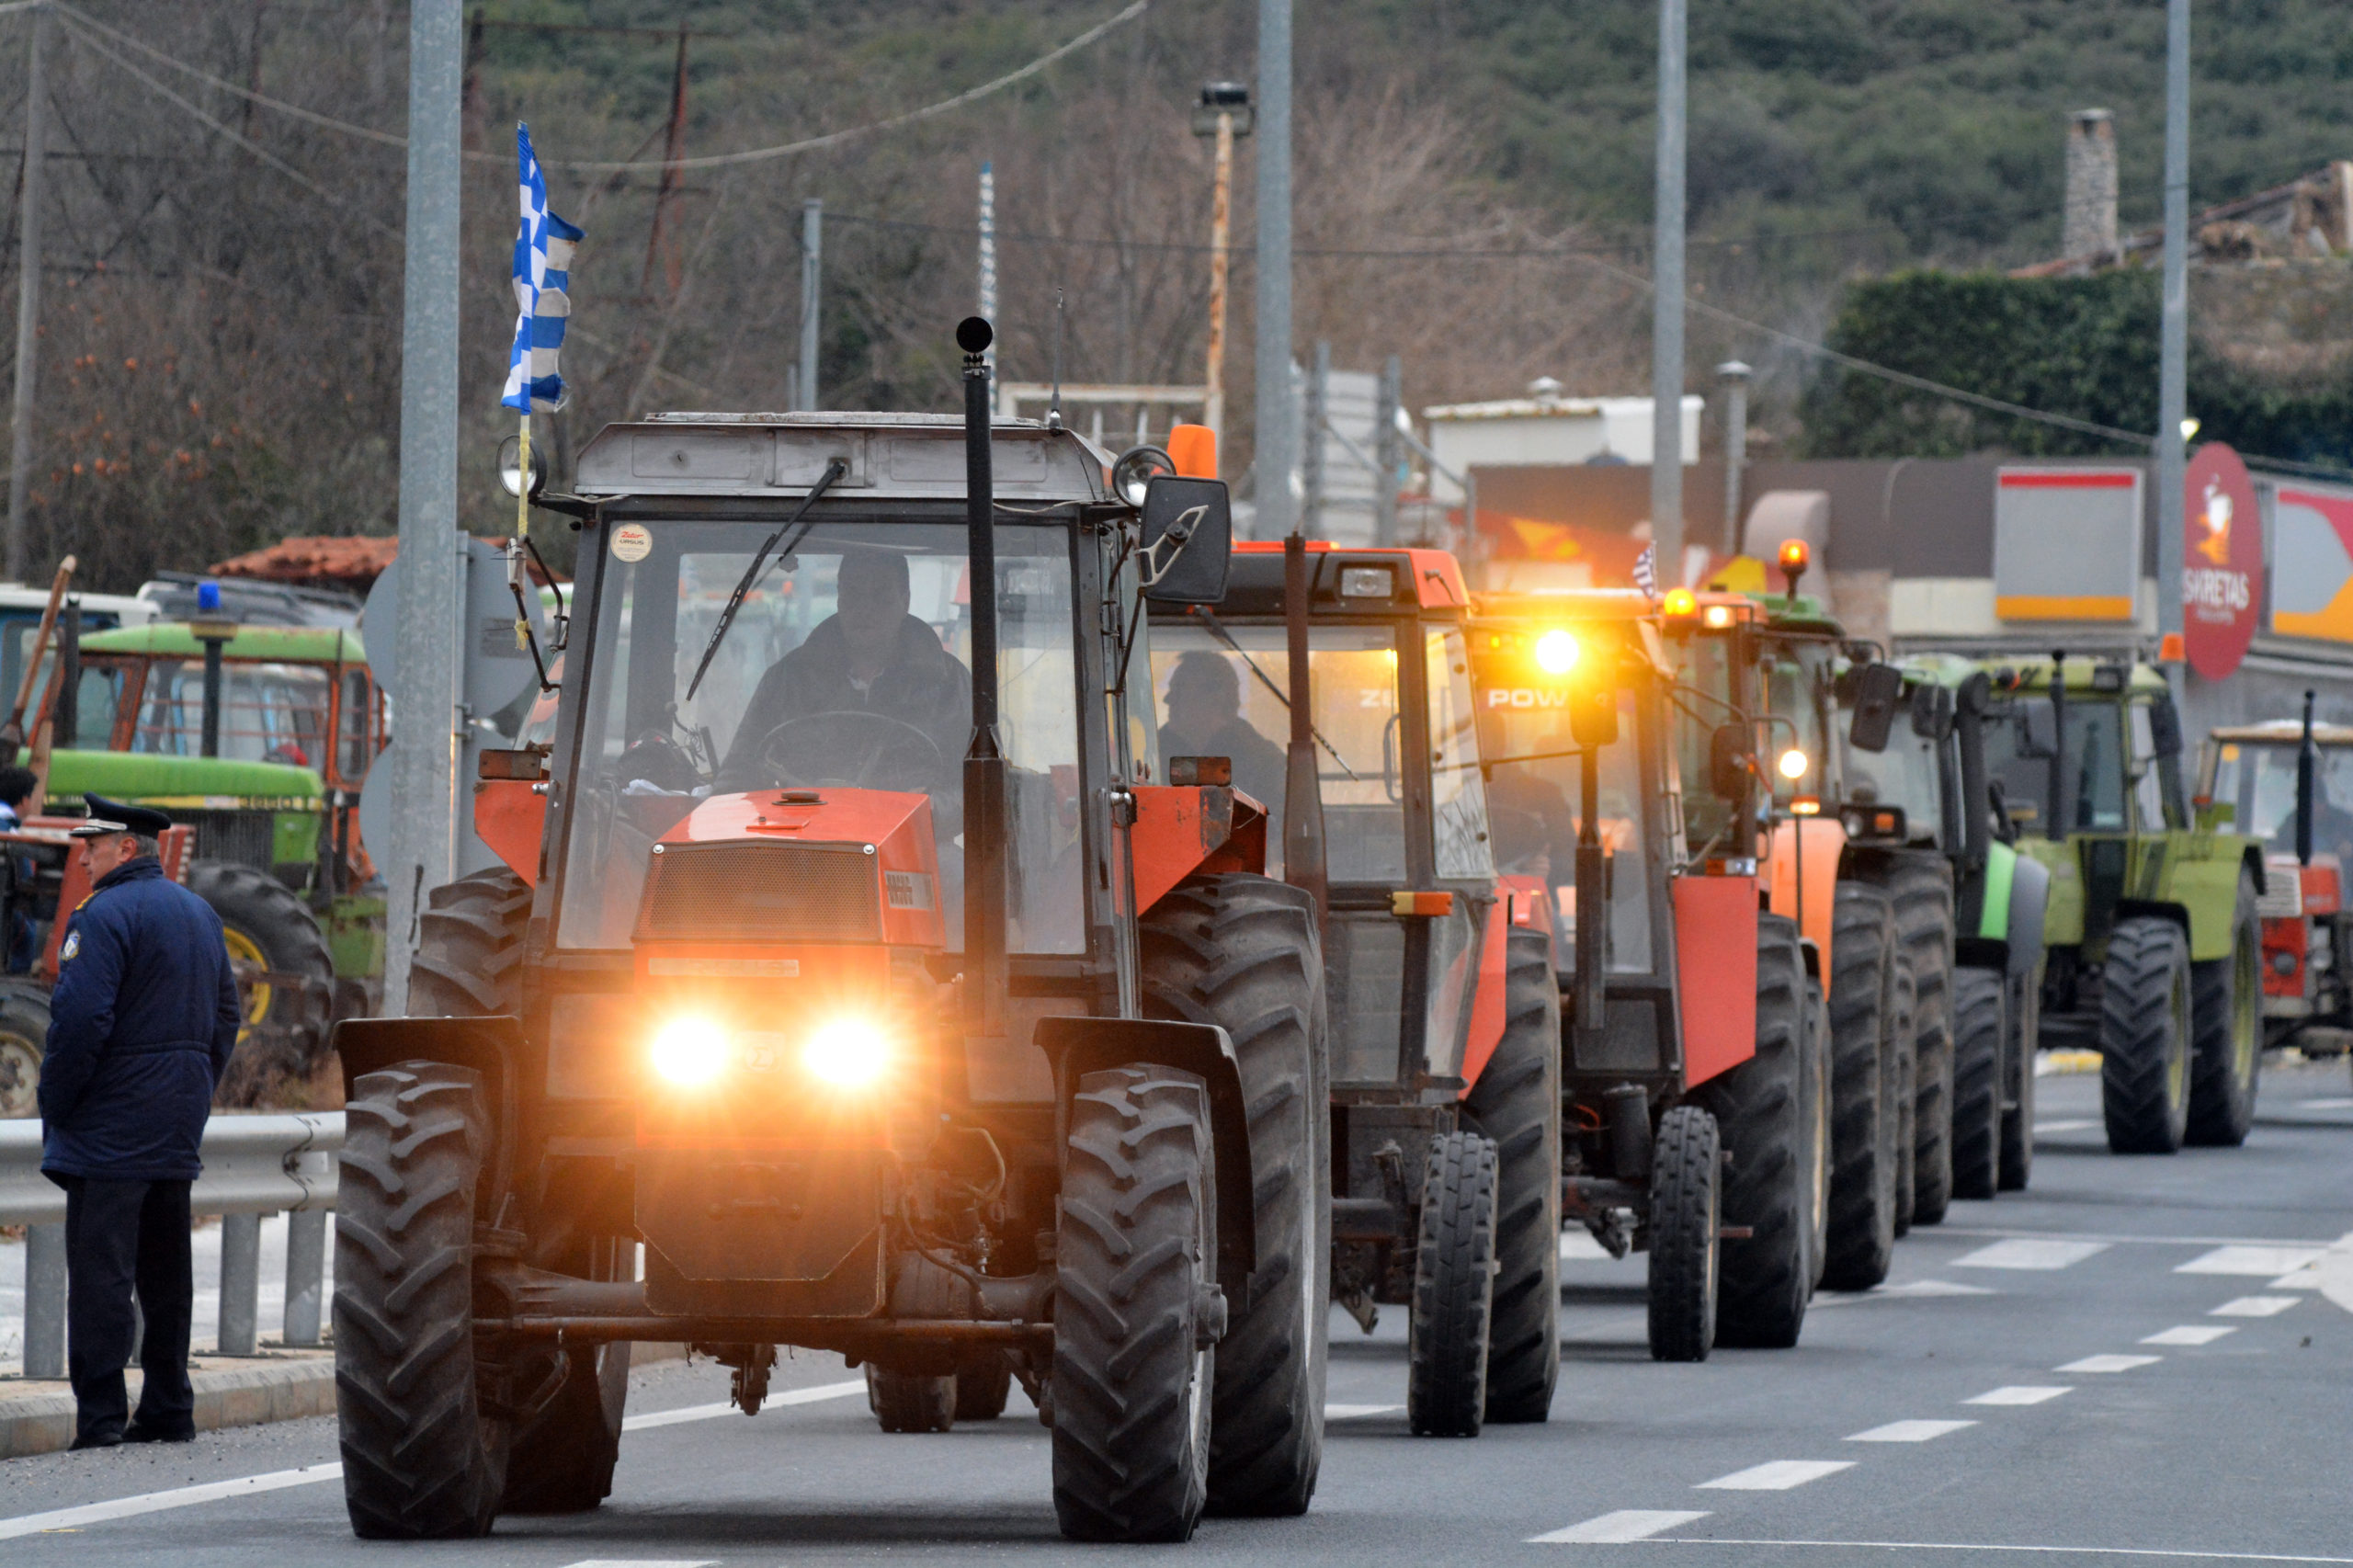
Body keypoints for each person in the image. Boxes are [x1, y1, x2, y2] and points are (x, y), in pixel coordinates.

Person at [39, 795, 240, 1449]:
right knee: (165, 1271)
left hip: (110, 1122)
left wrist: (56, 1102)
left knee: (102, 1274)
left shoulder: (100, 916)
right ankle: (168, 1408)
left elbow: (79, 1021)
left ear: (126, 849)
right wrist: (195, 1087)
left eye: (94, 845)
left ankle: (100, 1419)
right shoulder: (201, 914)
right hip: (175, 1117)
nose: (85, 855)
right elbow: (226, 1016)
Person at [714, 550, 971, 793]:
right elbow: (736, 779)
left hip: (917, 837)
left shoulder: (948, 684)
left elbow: (976, 786)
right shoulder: (787, 682)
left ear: (905, 601)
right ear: (839, 598)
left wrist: (927, 810)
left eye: (880, 595)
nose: (865, 608)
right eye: (854, 594)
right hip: (800, 834)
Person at [1158, 651, 1286, 812]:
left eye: (1179, 690)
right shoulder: (1149, 754)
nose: (1167, 699)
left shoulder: (1264, 761)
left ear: (1216, 698)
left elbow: (1274, 828)